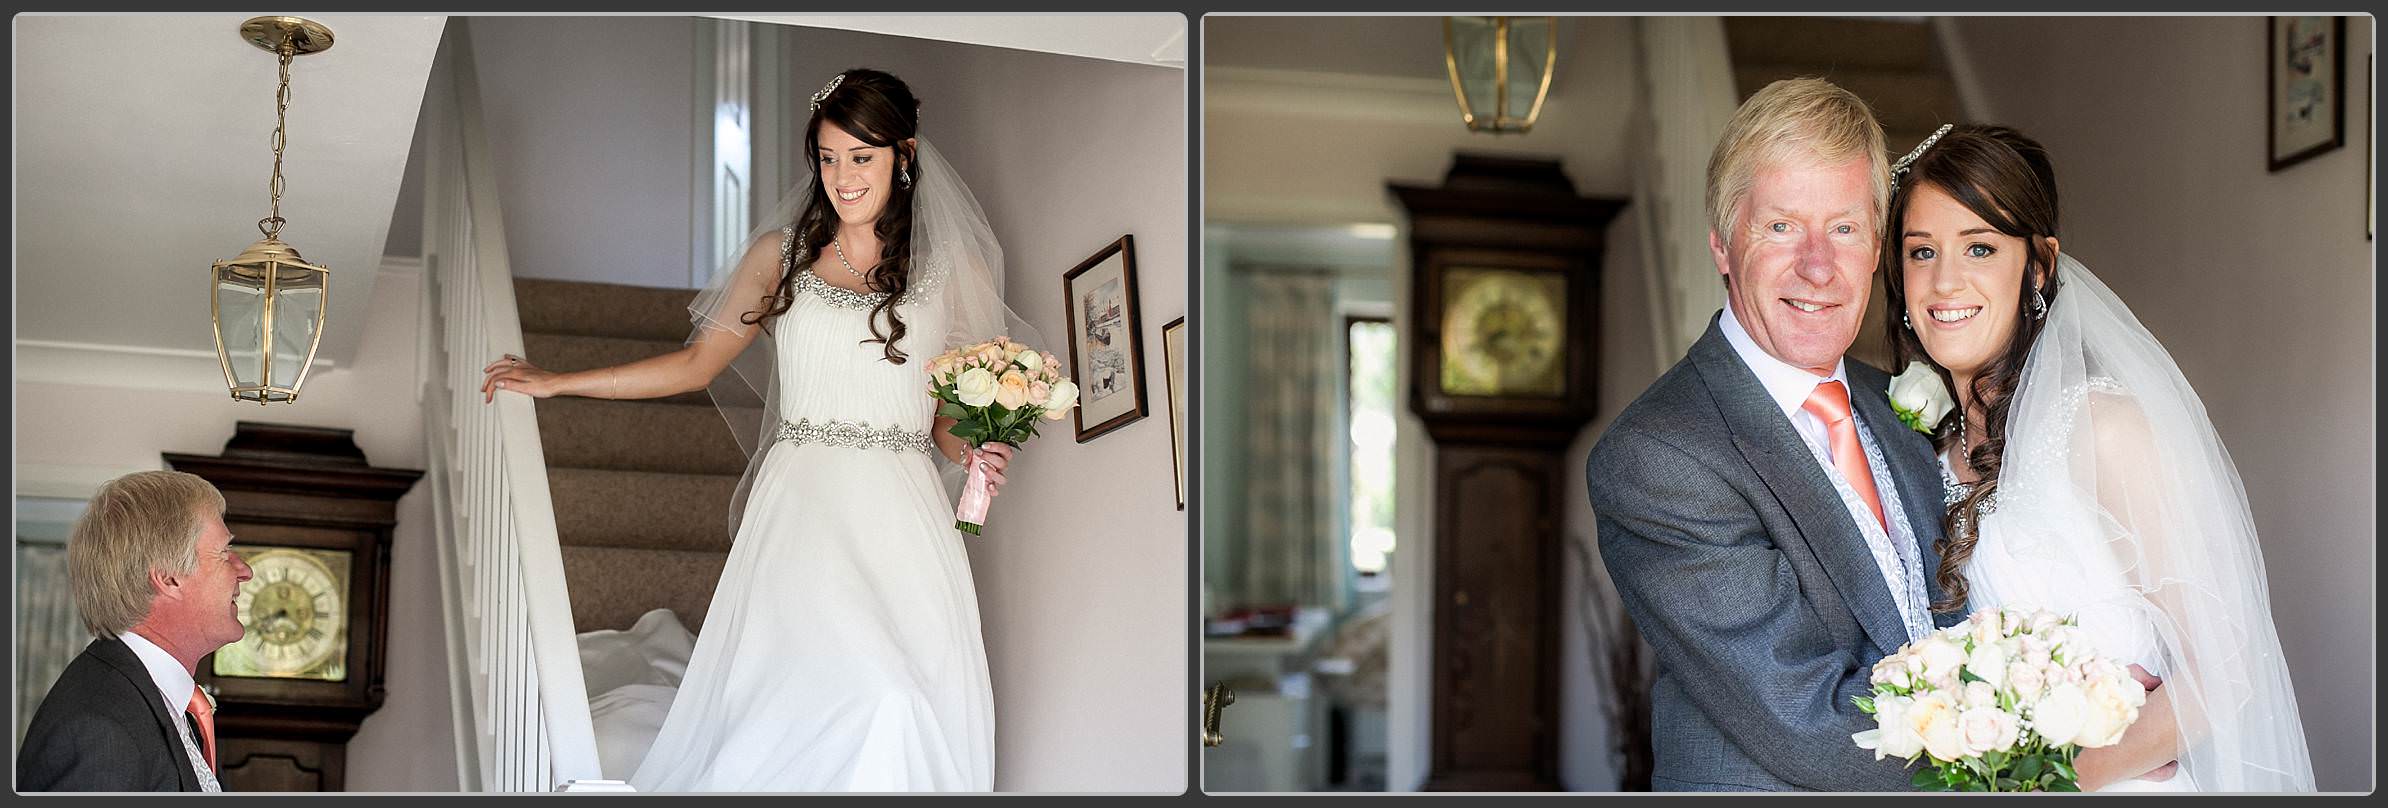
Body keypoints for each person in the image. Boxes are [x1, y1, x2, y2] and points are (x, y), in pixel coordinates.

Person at [480, 68, 1027, 791]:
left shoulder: (948, 269)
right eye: (828, 158)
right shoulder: (781, 256)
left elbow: (947, 424)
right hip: (803, 505)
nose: (842, 177)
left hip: (904, 512)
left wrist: (981, 455)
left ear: (904, 153)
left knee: (905, 695)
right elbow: (694, 365)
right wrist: (558, 381)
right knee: (843, 694)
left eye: (860, 157)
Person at [1881, 123, 2315, 791]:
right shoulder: (1927, 448)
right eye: (1921, 252)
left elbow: (2227, 669)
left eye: (1979, 247)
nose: (1944, 282)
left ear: (2040, 265)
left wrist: (2057, 783)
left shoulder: (2101, 431)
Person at [17, 471, 253, 792]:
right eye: (224, 552)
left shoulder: (161, 703)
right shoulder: (98, 731)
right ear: (168, 578)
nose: (245, 571)